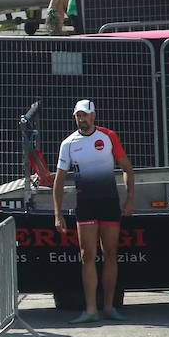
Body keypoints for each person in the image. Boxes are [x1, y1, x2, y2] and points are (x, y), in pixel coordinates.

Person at [53, 100, 135, 324]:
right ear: (75, 117)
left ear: (94, 116)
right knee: (87, 255)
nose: (82, 119)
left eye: (86, 115)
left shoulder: (108, 136)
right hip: (86, 205)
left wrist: (129, 199)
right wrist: (58, 213)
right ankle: (90, 310)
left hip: (109, 203)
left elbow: (127, 168)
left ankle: (108, 307)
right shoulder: (68, 144)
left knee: (110, 254)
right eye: (79, 116)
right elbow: (58, 182)